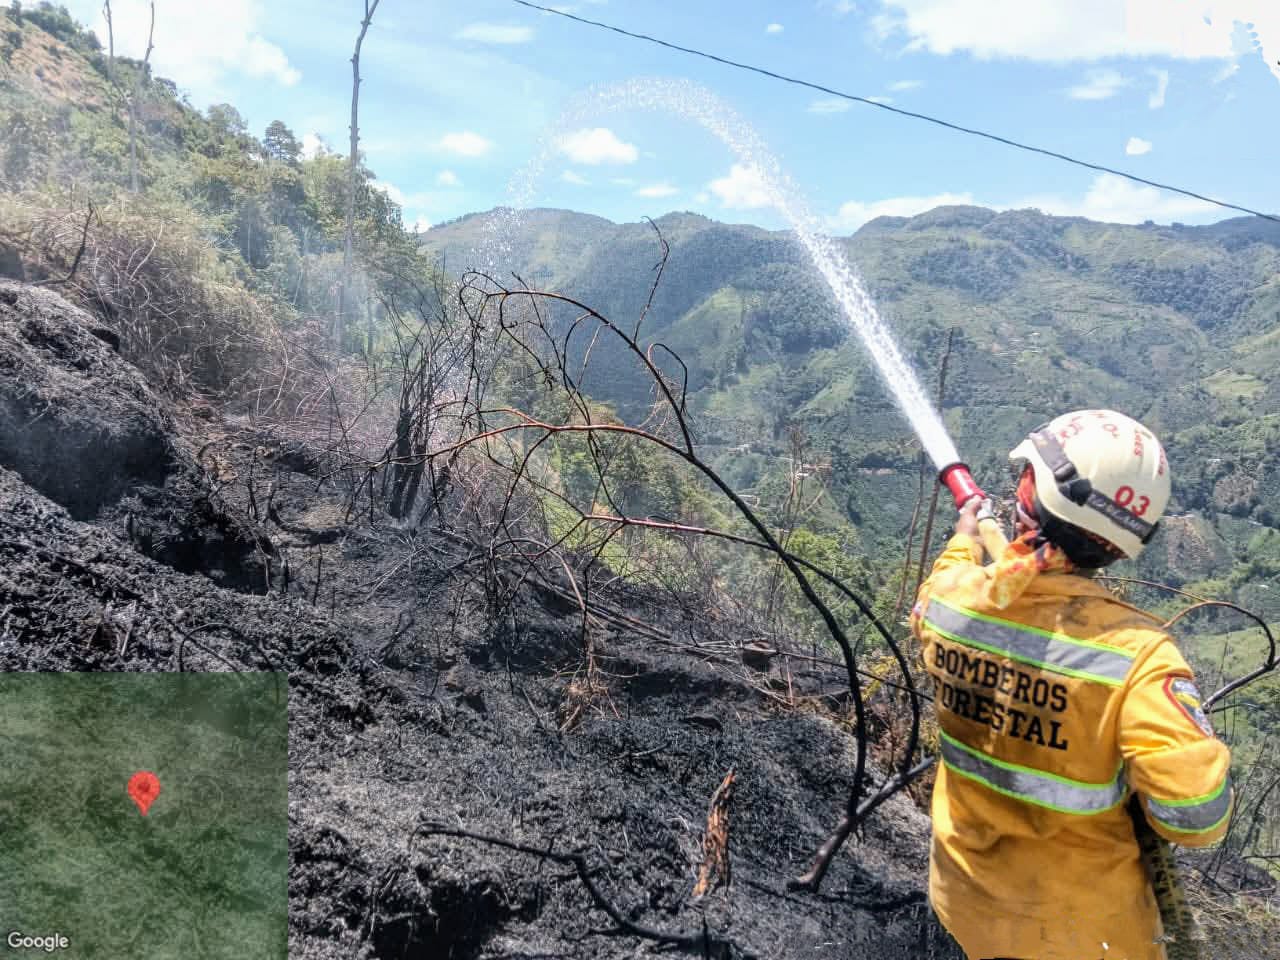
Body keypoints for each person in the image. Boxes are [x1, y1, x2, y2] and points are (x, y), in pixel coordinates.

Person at [910, 410, 1233, 960]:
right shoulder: (1141, 658)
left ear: (1033, 494)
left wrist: (967, 536)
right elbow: (1199, 816)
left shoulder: (950, 605)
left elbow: (938, 593)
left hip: (958, 913)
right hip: (1090, 939)